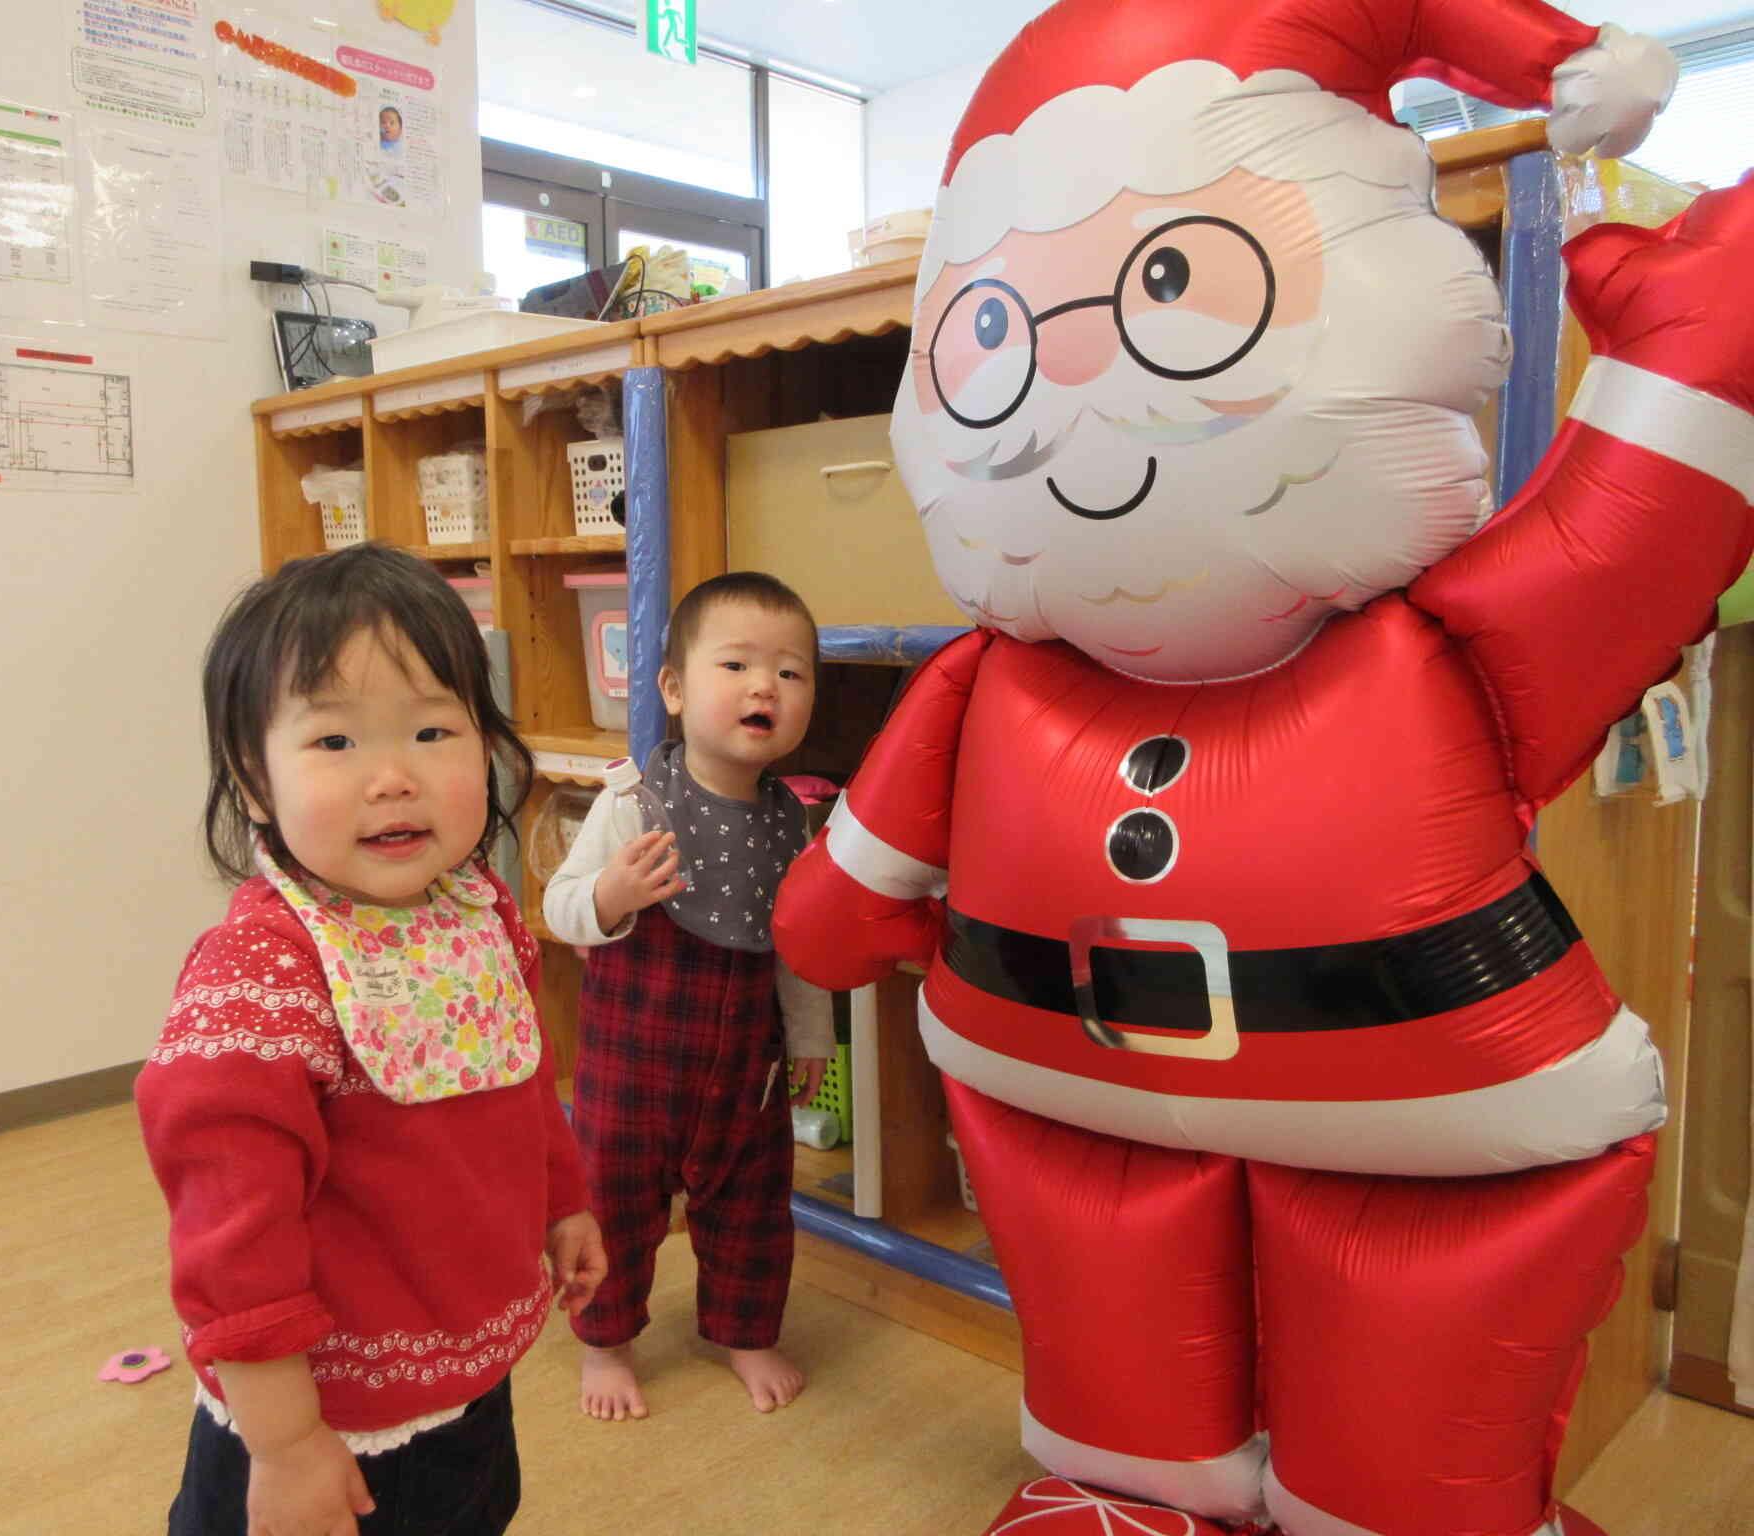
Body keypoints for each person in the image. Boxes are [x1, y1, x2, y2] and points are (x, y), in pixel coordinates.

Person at [775, 5, 1750, 1535]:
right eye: (1004, 336)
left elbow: (1627, 541)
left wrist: (1701, 353)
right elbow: (851, 890)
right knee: (1113, 1341)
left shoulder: (1430, 651)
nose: (1076, 381)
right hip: (1062, 1091)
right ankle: (1122, 1488)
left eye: (1171, 286)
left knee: (1409, 1385)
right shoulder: (995, 676)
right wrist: (839, 903)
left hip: (1418, 1101)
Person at [138, 543, 606, 1536]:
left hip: (465, 1377)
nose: (393, 778)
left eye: (434, 730)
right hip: (319, 1422)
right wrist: (285, 1445)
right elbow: (233, 1239)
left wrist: (563, 1201)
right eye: (335, 744)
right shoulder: (258, 980)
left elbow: (520, 1076)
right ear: (253, 782)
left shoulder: (475, 910)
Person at [543, 572, 832, 1421]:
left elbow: (799, 946)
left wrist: (810, 1034)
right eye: (736, 664)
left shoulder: (792, 821)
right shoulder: (635, 802)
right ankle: (605, 1341)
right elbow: (561, 907)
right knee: (616, 1208)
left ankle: (742, 1329)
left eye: (790, 672)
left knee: (752, 1209)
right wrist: (611, 897)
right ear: (672, 688)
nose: (763, 687)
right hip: (634, 1068)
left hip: (746, 1067)